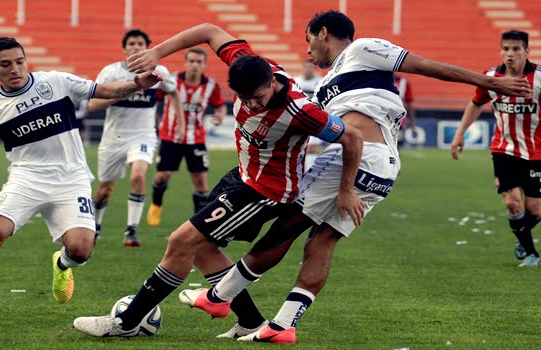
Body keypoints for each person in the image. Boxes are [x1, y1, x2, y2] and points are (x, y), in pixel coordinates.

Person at [175, 12, 533, 344]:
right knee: (321, 242)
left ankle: (220, 297)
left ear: (324, 33)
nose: (308, 48)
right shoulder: (328, 82)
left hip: (358, 158)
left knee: (285, 228)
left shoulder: (362, 49)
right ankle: (283, 326)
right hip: (382, 167)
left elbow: (426, 66)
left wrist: (487, 81)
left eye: (309, 39)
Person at [72, 23, 364, 338]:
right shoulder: (247, 63)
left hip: (265, 192)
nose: (251, 105)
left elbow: (353, 137)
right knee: (202, 248)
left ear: (270, 83)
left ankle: (125, 323)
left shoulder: (300, 111)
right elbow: (210, 31)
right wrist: (157, 52)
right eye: (243, 98)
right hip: (242, 176)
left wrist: (346, 189)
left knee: (182, 241)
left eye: (257, 98)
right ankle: (250, 322)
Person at [0, 37, 165, 322]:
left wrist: (137, 84)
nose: (15, 69)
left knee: (81, 250)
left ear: (26, 60)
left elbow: (104, 90)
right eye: (5, 64)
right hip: (26, 179)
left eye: (20, 61)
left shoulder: (56, 82)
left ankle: (62, 264)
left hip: (71, 179)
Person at [451, 30, 541, 267]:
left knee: (535, 209)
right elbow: (475, 103)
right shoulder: (491, 77)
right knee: (512, 202)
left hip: (536, 152)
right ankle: (532, 254)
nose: (510, 54)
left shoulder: (539, 78)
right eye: (506, 49)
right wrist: (460, 134)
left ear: (526, 51)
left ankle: (522, 238)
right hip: (504, 149)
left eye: (516, 49)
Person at [90, 29, 185, 247]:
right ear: (124, 48)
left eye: (140, 43)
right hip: (114, 137)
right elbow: (93, 104)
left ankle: (131, 230)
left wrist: (181, 122)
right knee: (105, 189)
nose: (135, 46)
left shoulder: (159, 71)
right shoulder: (111, 72)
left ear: (147, 47)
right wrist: (129, 89)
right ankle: (95, 226)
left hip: (142, 135)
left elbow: (174, 92)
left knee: (138, 175)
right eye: (131, 43)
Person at [147, 47, 227, 226]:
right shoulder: (172, 80)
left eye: (199, 62)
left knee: (200, 180)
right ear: (186, 62)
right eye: (191, 61)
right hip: (170, 137)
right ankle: (156, 205)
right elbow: (154, 98)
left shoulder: (211, 86)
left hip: (196, 139)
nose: (195, 65)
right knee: (162, 176)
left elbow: (220, 106)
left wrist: (220, 115)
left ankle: (198, 223)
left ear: (204, 64)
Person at [393, 73, 416, 147]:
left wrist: (412, 121)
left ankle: (396, 158)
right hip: (383, 117)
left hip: (399, 119)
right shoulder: (380, 80)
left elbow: (409, 103)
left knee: (397, 143)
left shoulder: (404, 82)